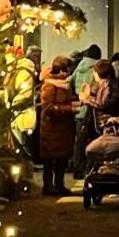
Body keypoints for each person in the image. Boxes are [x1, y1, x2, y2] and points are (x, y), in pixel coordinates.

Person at [38, 56, 77, 196]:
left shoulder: (64, 84)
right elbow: (48, 108)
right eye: (68, 69)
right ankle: (48, 186)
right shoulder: (49, 86)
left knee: (62, 160)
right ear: (61, 70)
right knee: (50, 161)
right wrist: (69, 109)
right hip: (51, 129)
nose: (70, 73)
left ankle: (59, 185)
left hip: (63, 130)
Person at [69, 44, 103, 175]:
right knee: (94, 141)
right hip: (92, 110)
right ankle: (91, 170)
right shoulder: (97, 69)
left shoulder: (78, 69)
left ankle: (77, 169)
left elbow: (71, 85)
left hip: (79, 111)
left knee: (79, 142)